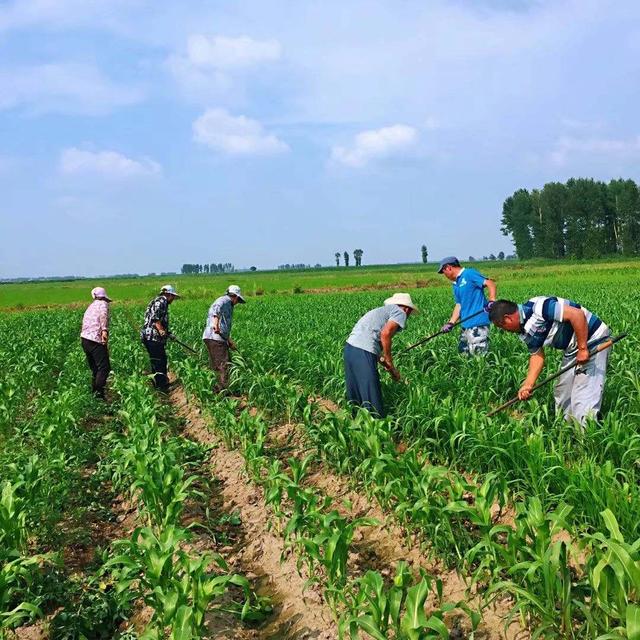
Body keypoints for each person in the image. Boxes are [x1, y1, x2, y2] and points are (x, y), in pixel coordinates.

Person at [489, 297, 610, 424]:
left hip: (593, 340)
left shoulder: (539, 307)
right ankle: (567, 432)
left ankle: (587, 439)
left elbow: (577, 314)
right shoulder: (523, 332)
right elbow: (537, 356)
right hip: (573, 348)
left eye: (502, 326)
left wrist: (583, 348)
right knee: (563, 392)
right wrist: (528, 385)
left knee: (583, 397)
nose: (504, 331)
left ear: (508, 318)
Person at [344, 293, 418, 418]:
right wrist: (389, 360)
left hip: (350, 349)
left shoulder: (381, 311)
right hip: (363, 351)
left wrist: (391, 369)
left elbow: (375, 346)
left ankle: (357, 424)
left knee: (355, 392)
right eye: (409, 312)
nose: (408, 315)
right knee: (371, 393)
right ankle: (377, 428)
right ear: (407, 308)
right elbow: (385, 335)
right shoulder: (400, 312)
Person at [437, 256, 497, 355]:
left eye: (444, 272)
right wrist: (451, 322)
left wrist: (492, 300)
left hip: (478, 323)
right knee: (463, 355)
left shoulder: (469, 274)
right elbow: (459, 304)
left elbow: (490, 283)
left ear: (448, 267)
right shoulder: (456, 284)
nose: (444, 275)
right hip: (465, 325)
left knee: (478, 356)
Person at [202, 285, 245, 393]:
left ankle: (217, 390)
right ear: (234, 296)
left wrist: (229, 340)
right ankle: (223, 393)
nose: (237, 302)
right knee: (223, 366)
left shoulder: (228, 304)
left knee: (219, 365)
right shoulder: (224, 300)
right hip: (216, 338)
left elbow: (224, 325)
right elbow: (215, 310)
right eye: (238, 299)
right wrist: (215, 324)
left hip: (217, 337)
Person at [141, 284, 180, 392]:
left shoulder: (157, 301)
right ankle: (162, 386)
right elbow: (155, 319)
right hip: (153, 337)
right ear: (168, 294)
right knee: (160, 361)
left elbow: (159, 320)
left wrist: (168, 333)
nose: (173, 299)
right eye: (173, 296)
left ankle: (157, 384)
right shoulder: (161, 302)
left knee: (156, 360)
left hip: (150, 337)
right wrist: (161, 331)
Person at [80, 286, 112, 398]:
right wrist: (104, 331)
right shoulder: (102, 304)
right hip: (95, 339)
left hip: (85, 339)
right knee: (104, 367)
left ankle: (94, 394)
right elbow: (103, 316)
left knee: (95, 368)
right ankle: (99, 394)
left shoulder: (91, 306)